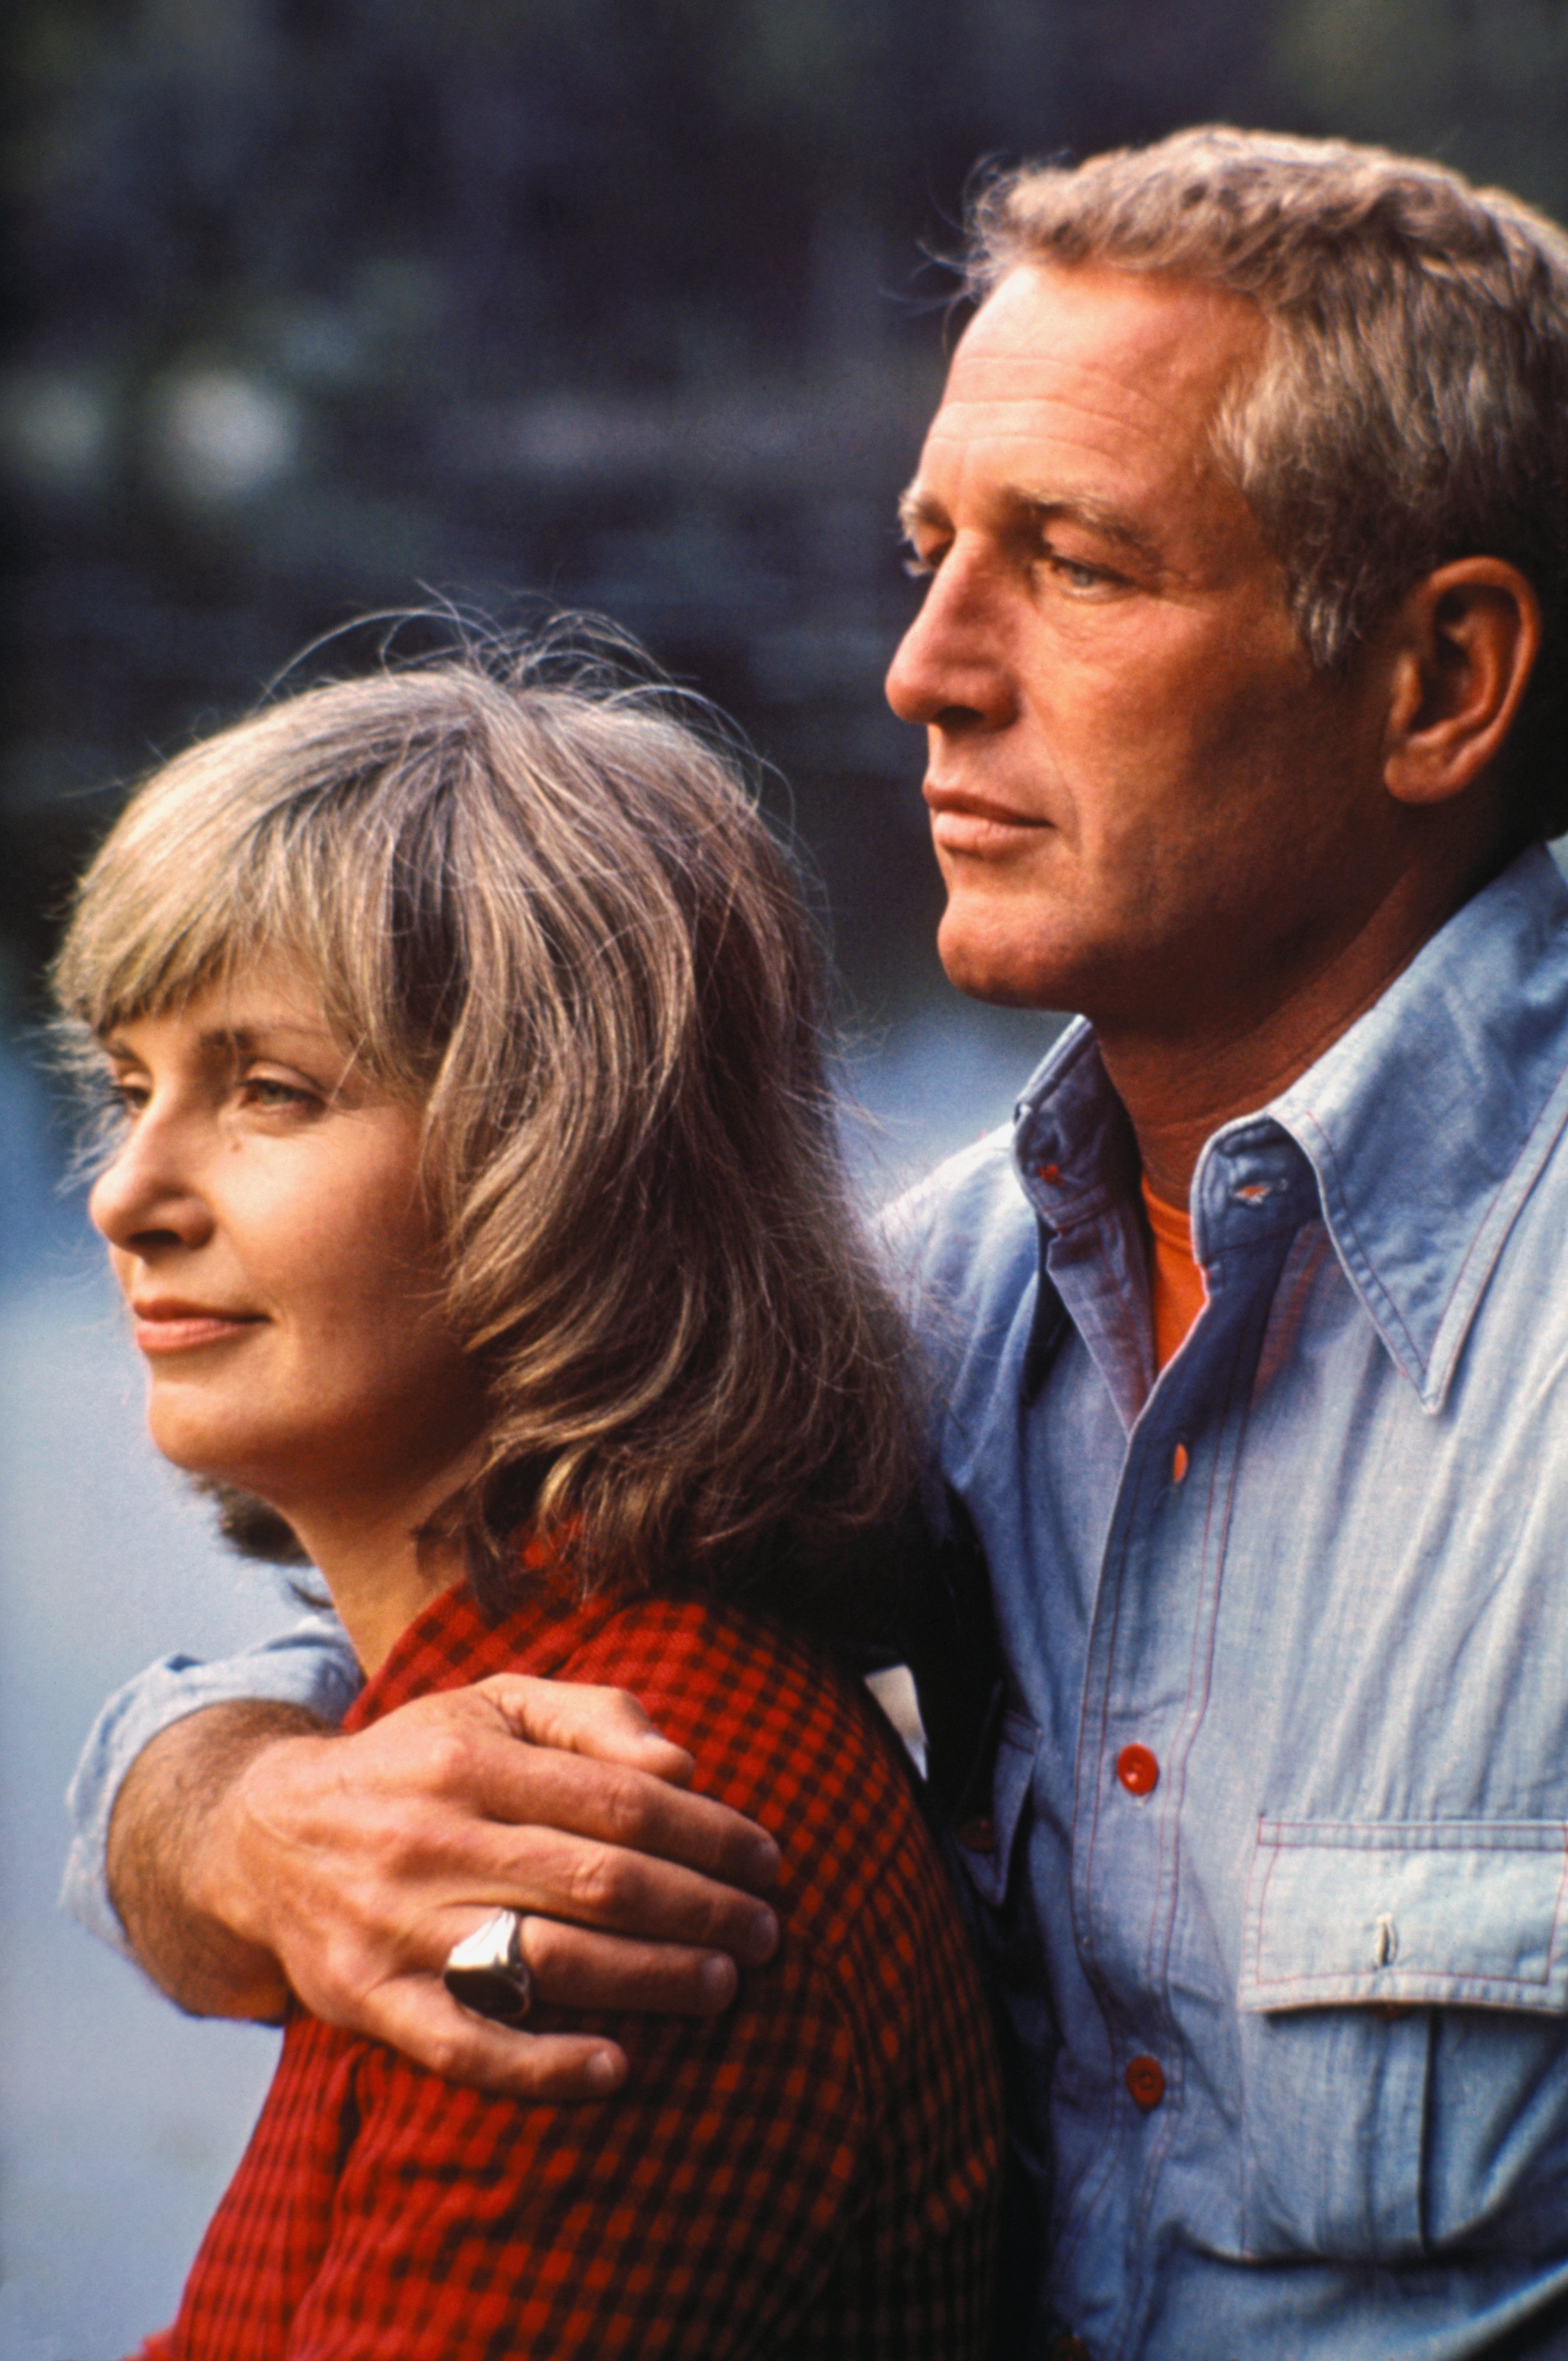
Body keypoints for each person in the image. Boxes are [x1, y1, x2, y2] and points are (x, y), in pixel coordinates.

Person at [64, 124, 1568, 2357]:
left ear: (1437, 685)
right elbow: (438, 1623)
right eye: (927, 553)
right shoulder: (928, 1311)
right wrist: (240, 1822)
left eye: (1076, 565)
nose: (922, 669)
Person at [52, 647, 1002, 2357]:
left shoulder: (594, 1843)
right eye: (132, 1089)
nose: (127, 1194)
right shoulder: (443, 1767)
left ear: (555, 1160)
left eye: (269, 1091)